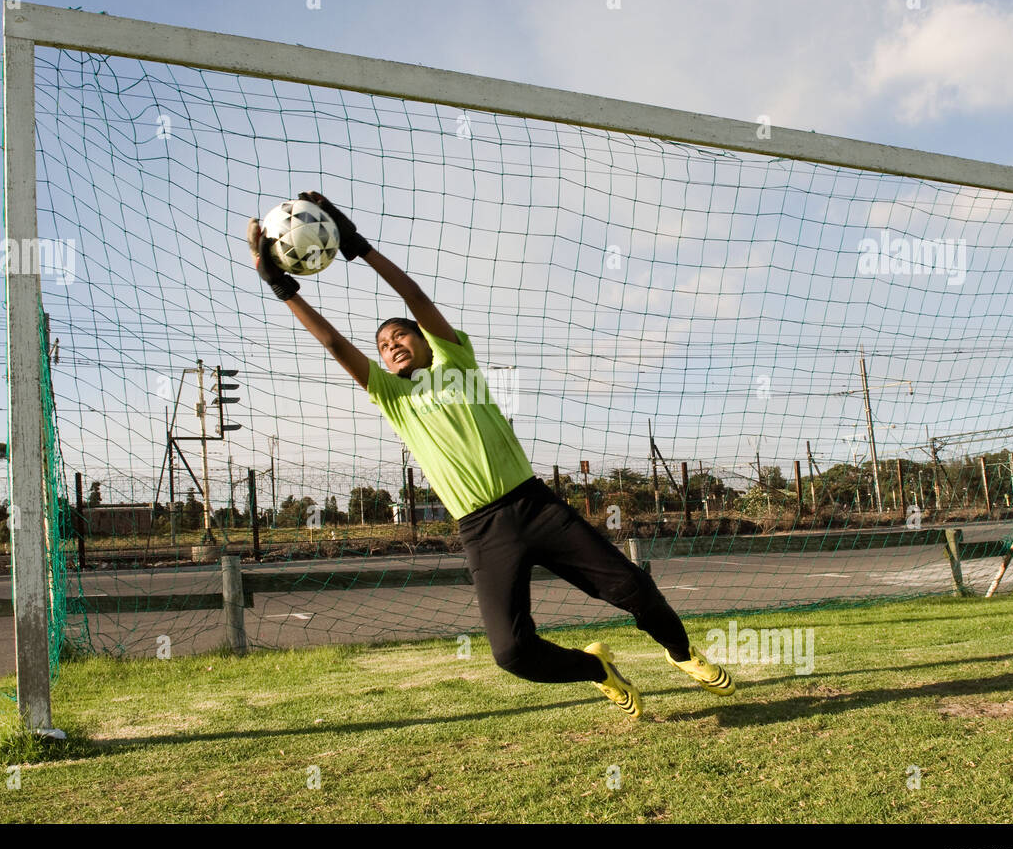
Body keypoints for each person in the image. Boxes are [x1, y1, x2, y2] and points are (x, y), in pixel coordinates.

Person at [246, 191, 734, 720]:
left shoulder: (455, 362)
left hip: (534, 507)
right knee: (511, 653)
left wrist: (357, 244)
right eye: (383, 345)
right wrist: (281, 288)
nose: (390, 345)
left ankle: (682, 653)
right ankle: (599, 671)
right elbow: (337, 345)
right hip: (482, 530)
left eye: (400, 335)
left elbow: (414, 295)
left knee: (632, 587)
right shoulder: (394, 398)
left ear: (428, 339)